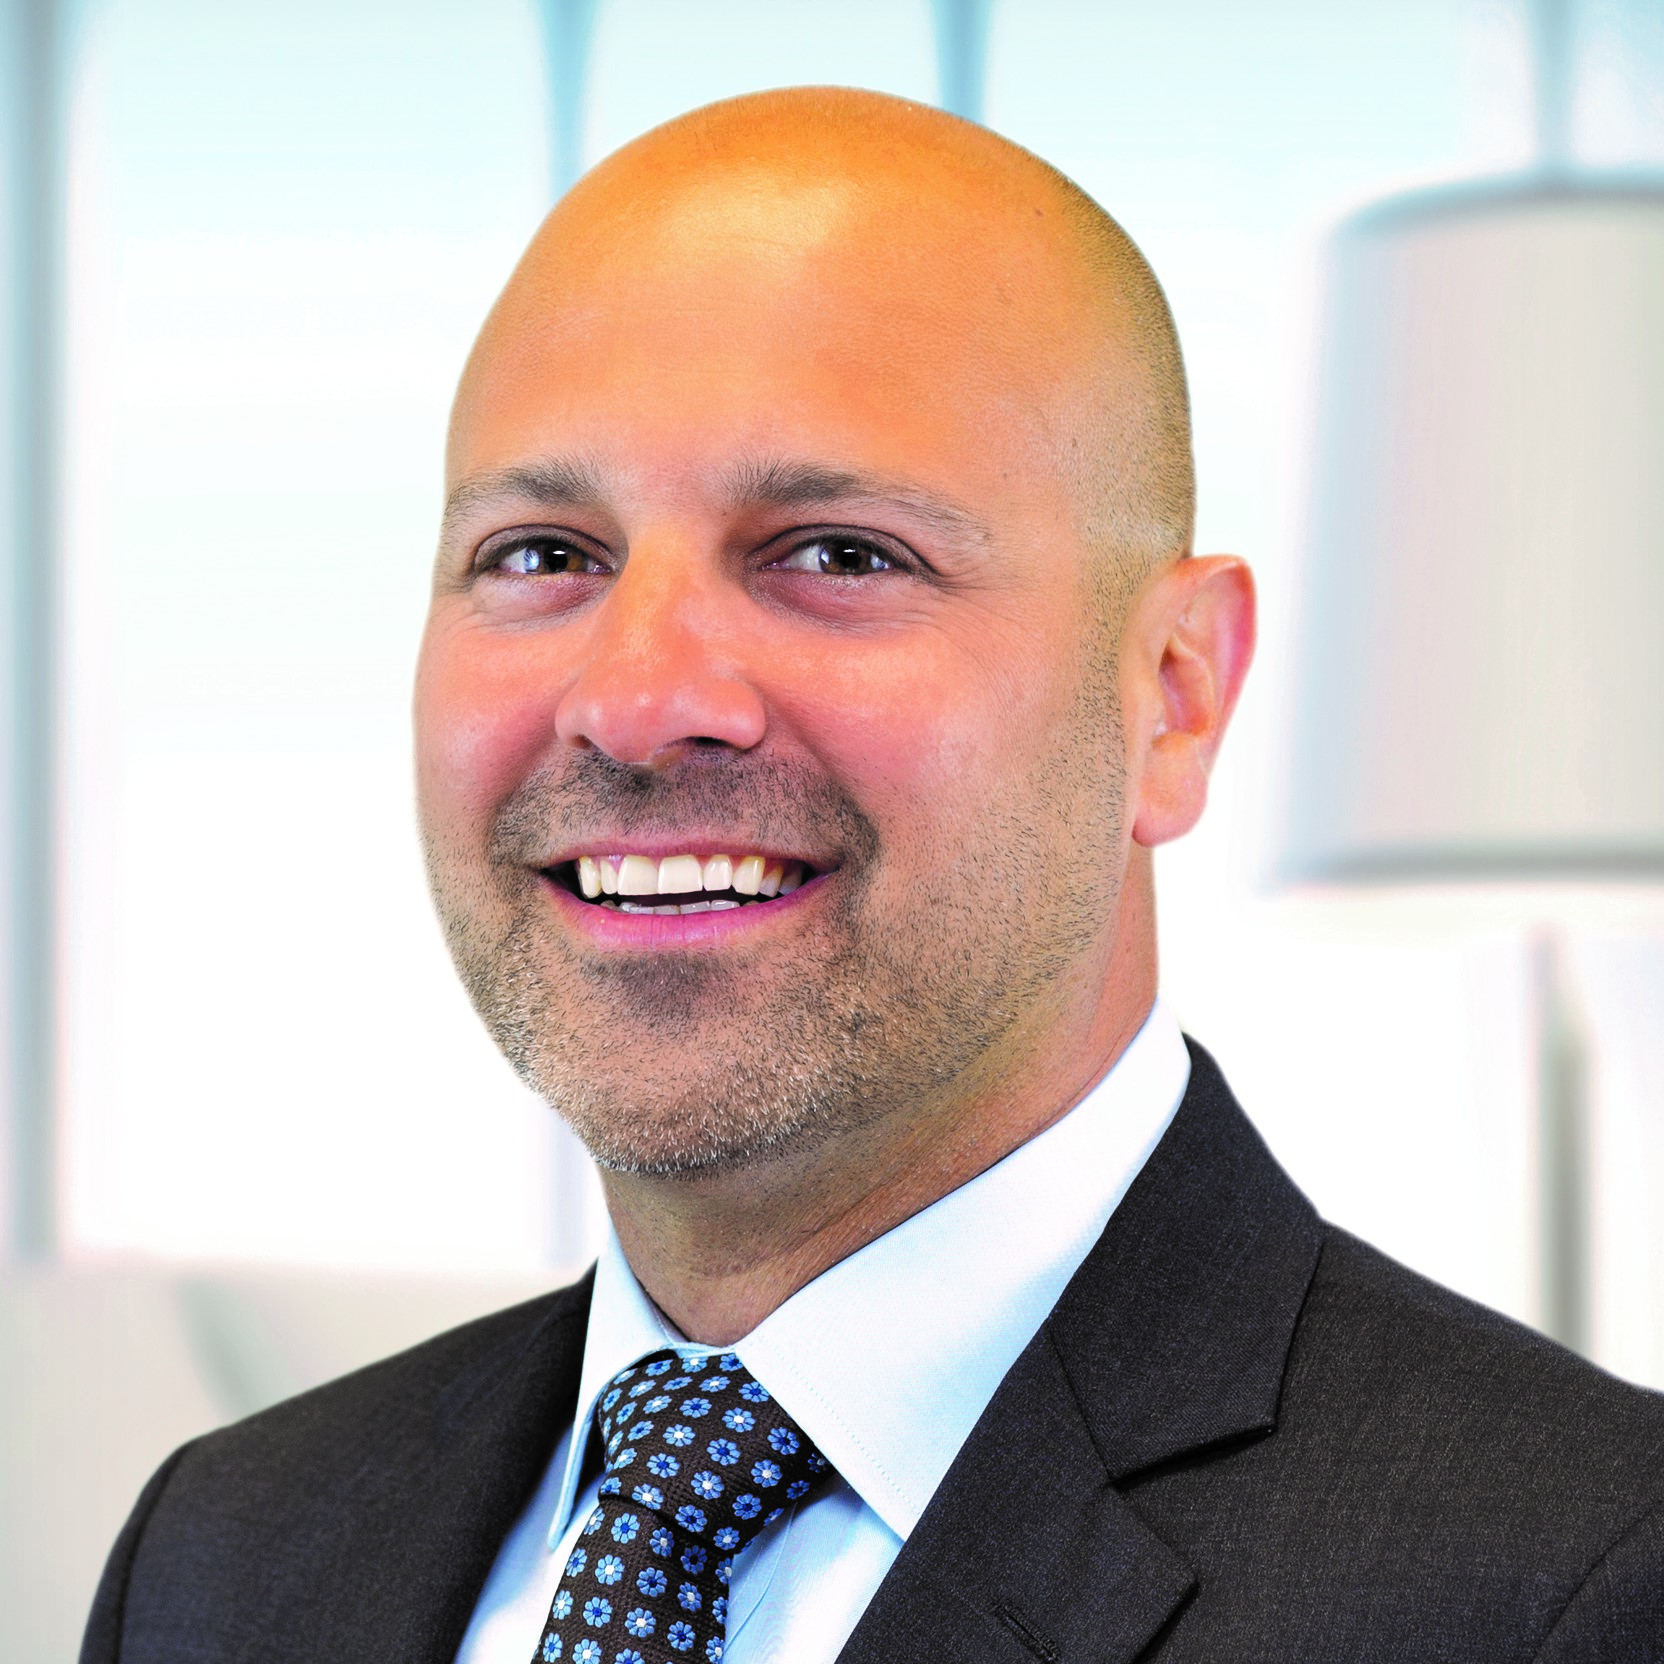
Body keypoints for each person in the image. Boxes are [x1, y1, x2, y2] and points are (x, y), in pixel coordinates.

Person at [83, 88, 1663, 1664]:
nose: (636, 700)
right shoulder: (225, 1557)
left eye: (837, 553)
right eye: (544, 555)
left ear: (1175, 693)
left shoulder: (1576, 1589)